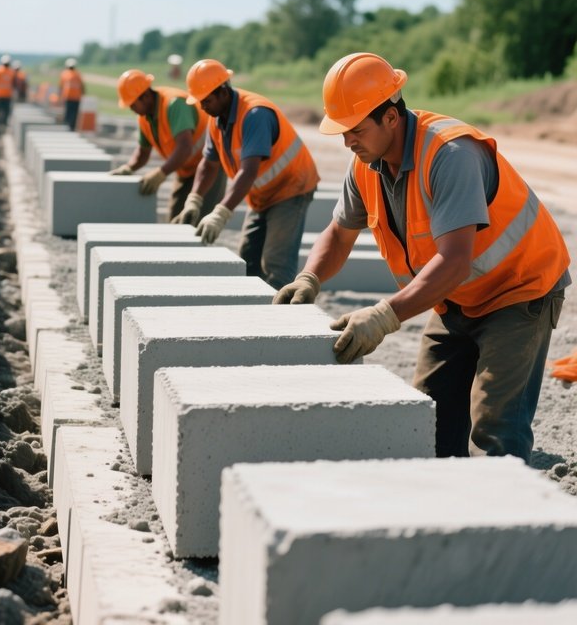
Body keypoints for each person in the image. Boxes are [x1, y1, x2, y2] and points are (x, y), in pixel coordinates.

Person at [274, 51, 571, 463]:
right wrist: (309, 277)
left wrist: (383, 315)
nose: (347, 141)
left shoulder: (450, 155)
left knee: (494, 436)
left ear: (391, 118)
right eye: (342, 132)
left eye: (355, 129)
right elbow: (339, 234)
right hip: (456, 298)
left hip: (518, 291)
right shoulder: (366, 164)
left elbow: (453, 261)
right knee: (428, 424)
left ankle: (502, 516)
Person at [172, 58, 320, 290]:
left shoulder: (254, 115)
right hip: (261, 194)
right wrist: (194, 199)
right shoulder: (216, 119)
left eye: (206, 100)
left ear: (222, 92)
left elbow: (248, 171)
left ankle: (283, 320)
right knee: (247, 259)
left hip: (291, 188)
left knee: (276, 264)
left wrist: (220, 213)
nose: (202, 107)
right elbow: (208, 165)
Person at [110, 69, 226, 220]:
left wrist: (161, 173)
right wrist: (128, 168)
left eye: (132, 105)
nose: (132, 110)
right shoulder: (145, 117)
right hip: (185, 170)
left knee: (195, 222)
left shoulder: (175, 104)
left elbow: (184, 148)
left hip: (209, 169)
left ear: (145, 96)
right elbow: (142, 153)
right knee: (174, 221)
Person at [59, 58, 84, 130]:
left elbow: (61, 86)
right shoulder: (77, 74)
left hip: (70, 97)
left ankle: (68, 126)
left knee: (70, 113)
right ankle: (70, 126)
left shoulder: (65, 74)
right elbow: (82, 86)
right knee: (72, 113)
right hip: (73, 97)